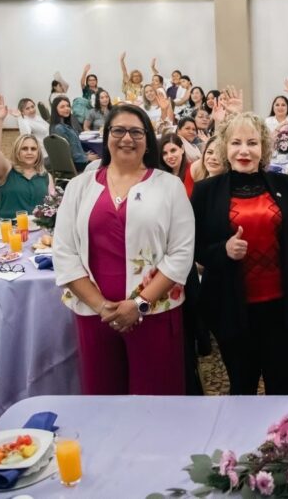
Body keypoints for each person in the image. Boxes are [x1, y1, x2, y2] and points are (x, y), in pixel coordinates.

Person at [53, 105, 195, 395]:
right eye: (118, 131)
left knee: (157, 399)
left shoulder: (169, 187)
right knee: (102, 396)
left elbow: (181, 253)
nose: (127, 138)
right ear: (106, 137)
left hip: (154, 312)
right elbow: (64, 252)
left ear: (148, 141)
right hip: (94, 313)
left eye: (136, 132)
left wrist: (139, 304)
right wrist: (101, 307)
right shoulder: (79, 186)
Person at [191, 112, 288, 395]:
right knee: (242, 386)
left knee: (282, 387)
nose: (244, 151)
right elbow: (194, 247)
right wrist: (223, 250)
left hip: (280, 307)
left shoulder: (284, 185)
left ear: (264, 147)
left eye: (252, 143)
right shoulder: (206, 191)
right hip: (231, 307)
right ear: (225, 148)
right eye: (236, 143)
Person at [0, 95, 53, 220]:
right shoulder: (7, 171)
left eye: (33, 149)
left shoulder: (45, 175)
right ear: (17, 152)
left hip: (37, 228)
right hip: (9, 227)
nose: (29, 152)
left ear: (38, 153)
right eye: (24, 149)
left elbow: (51, 205)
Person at [50, 96, 97, 173]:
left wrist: (85, 154)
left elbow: (74, 148)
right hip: (77, 164)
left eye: (68, 106)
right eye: (62, 107)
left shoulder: (60, 126)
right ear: (55, 110)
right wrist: (87, 158)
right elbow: (70, 153)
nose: (66, 109)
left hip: (77, 161)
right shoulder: (59, 128)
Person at [158, 133, 194, 198]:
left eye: (173, 150)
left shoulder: (192, 170)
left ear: (182, 149)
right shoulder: (161, 176)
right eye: (165, 153)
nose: (169, 156)